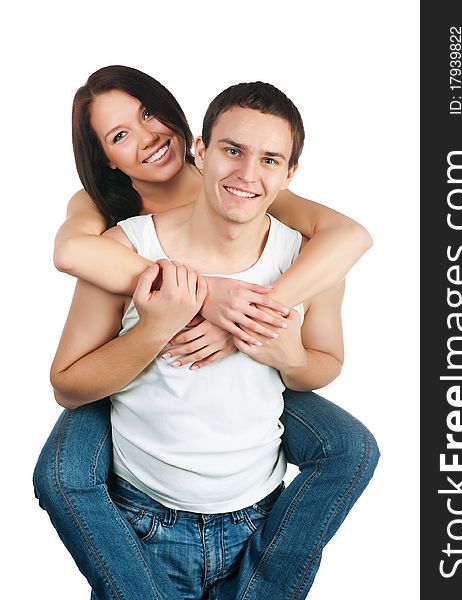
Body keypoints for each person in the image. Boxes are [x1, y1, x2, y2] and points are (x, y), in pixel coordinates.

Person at [33, 67, 378, 599]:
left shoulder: (250, 190)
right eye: (120, 134)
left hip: (241, 429)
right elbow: (70, 255)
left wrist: (251, 322)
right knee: (61, 475)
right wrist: (202, 299)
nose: (146, 137)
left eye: (148, 114)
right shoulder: (113, 224)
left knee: (349, 447)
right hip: (141, 405)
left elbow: (350, 238)